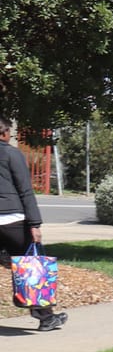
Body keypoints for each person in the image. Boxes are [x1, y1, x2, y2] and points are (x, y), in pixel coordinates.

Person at [0, 136, 63, 331]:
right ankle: (46, 318)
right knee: (34, 266)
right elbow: (25, 189)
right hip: (12, 218)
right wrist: (35, 223)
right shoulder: (11, 153)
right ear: (4, 133)